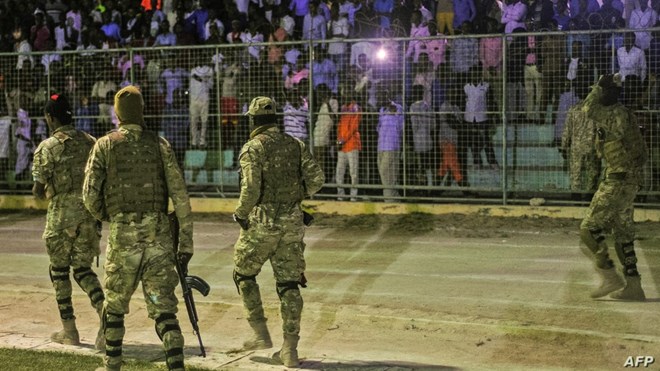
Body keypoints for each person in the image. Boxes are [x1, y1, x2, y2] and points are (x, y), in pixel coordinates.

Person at [83, 86, 194, 371]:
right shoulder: (160, 144)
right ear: (142, 111)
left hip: (124, 236)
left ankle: (112, 365)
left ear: (118, 113)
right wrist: (186, 244)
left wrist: (109, 215)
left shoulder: (105, 145)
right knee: (164, 308)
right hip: (158, 235)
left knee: (115, 305)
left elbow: (89, 195)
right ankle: (176, 366)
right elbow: (180, 197)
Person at [232, 96, 324, 368]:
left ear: (253, 120)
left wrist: (240, 213)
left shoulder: (252, 148)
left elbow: (250, 189)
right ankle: (290, 350)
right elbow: (317, 179)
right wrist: (297, 195)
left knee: (243, 272)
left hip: (263, 222)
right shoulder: (295, 145)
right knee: (289, 285)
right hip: (293, 222)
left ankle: (260, 333)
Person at [31, 94, 105, 350]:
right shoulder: (91, 143)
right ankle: (106, 320)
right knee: (83, 270)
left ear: (51, 118)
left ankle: (69, 330)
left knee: (59, 272)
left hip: (61, 218)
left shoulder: (48, 147)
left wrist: (46, 191)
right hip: (89, 215)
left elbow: (38, 190)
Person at [579, 74, 647, 301]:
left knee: (588, 230)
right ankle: (634, 286)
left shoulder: (614, 113)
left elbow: (586, 109)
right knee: (622, 235)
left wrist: (597, 87)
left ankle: (609, 276)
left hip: (618, 180)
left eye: (600, 91)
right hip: (628, 180)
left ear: (610, 92)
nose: (597, 94)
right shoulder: (623, 114)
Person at [561, 86, 601, 199]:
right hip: (591, 144)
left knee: (575, 171)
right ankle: (589, 194)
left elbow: (567, 129)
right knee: (593, 171)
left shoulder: (573, 109)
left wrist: (564, 146)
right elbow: (599, 129)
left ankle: (575, 194)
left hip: (576, 145)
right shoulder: (595, 110)